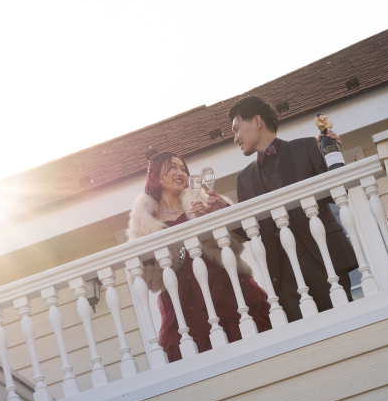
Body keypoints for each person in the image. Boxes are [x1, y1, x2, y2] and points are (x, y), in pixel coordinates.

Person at [126, 151, 271, 362]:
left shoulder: (201, 199)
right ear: (156, 176)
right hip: (183, 300)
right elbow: (143, 275)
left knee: (249, 347)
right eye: (172, 167)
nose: (180, 172)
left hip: (223, 284)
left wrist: (217, 215)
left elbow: (240, 238)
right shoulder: (143, 221)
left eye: (183, 168)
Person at [228, 96, 357, 322]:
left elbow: (336, 193)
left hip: (323, 259)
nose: (235, 138)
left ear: (257, 121)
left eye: (237, 129)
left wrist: (330, 157)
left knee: (348, 325)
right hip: (282, 276)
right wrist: (220, 209)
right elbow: (247, 232)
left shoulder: (307, 147)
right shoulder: (243, 179)